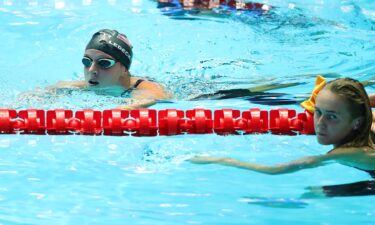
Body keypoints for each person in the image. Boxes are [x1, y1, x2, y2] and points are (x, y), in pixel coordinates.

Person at [190, 77, 375, 197]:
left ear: (357, 123)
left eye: (332, 117)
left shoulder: (350, 153)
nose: (319, 123)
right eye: (318, 112)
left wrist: (220, 159)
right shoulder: (363, 120)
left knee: (316, 193)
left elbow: (274, 170)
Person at [56, 29, 170, 110]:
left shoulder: (144, 87)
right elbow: (54, 89)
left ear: (124, 69)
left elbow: (153, 97)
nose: (91, 70)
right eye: (87, 61)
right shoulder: (86, 84)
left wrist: (122, 110)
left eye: (104, 63)